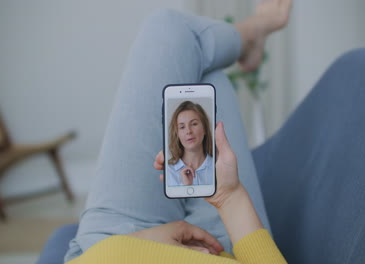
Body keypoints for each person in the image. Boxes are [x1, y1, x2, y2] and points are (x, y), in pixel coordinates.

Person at [65, 0, 292, 263]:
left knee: (172, 33)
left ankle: (250, 35)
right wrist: (228, 196)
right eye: (182, 126)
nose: (188, 131)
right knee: (210, 78)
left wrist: (142, 244)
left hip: (101, 249)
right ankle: (252, 33)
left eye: (192, 125)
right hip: (222, 249)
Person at [167, 100, 213, 186]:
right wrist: (185, 186)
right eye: (182, 127)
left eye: (194, 124)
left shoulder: (218, 167)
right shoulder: (169, 171)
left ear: (205, 129)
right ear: (177, 134)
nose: (188, 131)